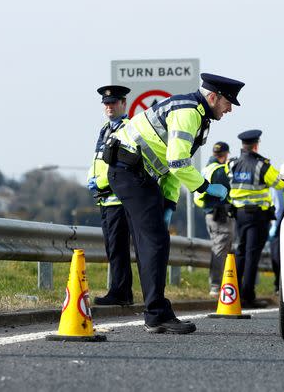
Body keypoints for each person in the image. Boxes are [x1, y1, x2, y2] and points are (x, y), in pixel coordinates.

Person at [106, 73, 244, 334]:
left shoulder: (199, 117)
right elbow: (178, 162)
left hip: (137, 174)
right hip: (129, 171)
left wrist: (169, 204)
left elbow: (170, 169)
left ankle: (155, 313)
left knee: (153, 241)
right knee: (155, 241)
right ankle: (156, 315)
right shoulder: (189, 112)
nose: (229, 110)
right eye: (228, 103)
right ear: (213, 97)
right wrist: (204, 186)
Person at [87, 85, 134, 307]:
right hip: (105, 197)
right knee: (112, 246)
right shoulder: (105, 129)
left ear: (124, 103)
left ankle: (121, 292)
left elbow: (123, 165)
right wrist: (91, 178)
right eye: (106, 104)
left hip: (119, 198)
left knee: (118, 247)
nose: (109, 107)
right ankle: (120, 290)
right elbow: (98, 159)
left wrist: (102, 182)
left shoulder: (128, 129)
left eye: (113, 103)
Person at [229, 129, 284, 309]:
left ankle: (234, 294)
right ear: (256, 145)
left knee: (240, 252)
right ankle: (248, 296)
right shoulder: (262, 166)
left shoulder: (231, 164)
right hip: (257, 216)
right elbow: (280, 183)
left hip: (238, 215)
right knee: (252, 255)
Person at [194, 141, 233, 298]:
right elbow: (228, 192)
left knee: (218, 248)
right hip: (220, 215)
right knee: (220, 250)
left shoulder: (206, 168)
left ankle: (219, 286)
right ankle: (216, 287)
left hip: (209, 213)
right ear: (225, 155)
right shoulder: (220, 170)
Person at [268, 184, 284, 293]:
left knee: (276, 254)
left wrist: (275, 225)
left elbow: (279, 205)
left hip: (279, 217)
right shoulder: (275, 176)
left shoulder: (273, 179)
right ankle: (279, 285)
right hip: (280, 216)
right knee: (278, 253)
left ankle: (279, 285)